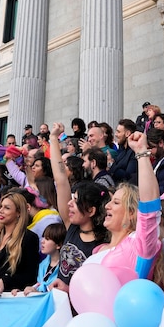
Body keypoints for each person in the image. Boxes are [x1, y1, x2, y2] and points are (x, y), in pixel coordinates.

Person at [82, 130, 162, 283]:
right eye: (110, 201)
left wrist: (141, 153)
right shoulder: (99, 249)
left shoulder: (139, 245)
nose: (107, 207)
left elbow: (150, 207)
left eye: (116, 202)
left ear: (132, 212)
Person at [48, 122, 111, 288]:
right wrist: (54, 138)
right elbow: (61, 180)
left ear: (90, 210)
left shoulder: (104, 245)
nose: (69, 203)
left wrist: (70, 290)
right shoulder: (71, 227)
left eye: (76, 201)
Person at [19, 221, 66, 295]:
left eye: (47, 239)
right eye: (43, 237)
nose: (42, 241)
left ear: (59, 245)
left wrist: (38, 292)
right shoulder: (42, 264)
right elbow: (39, 285)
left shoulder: (65, 269)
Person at [109, 119, 138, 184]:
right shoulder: (121, 150)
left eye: (118, 132)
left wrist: (111, 165)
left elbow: (128, 176)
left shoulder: (134, 152)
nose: (116, 135)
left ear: (127, 133)